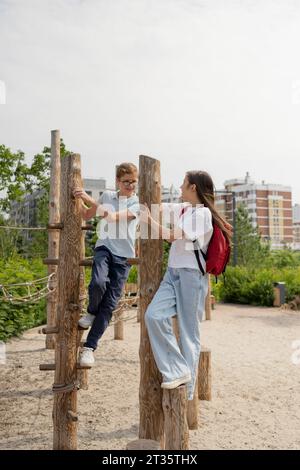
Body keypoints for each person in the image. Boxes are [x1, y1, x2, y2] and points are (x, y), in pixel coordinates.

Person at [140, 171, 231, 400]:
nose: (180, 187)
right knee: (153, 316)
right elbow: (158, 206)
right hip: (173, 274)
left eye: (183, 183)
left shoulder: (202, 215)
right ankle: (178, 370)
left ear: (193, 188)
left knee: (189, 333)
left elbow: (173, 236)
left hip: (191, 276)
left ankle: (187, 392)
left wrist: (148, 221)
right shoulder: (184, 209)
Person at [73, 162, 139, 366]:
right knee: (98, 283)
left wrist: (86, 196)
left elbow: (111, 218)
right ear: (117, 181)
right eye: (126, 181)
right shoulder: (107, 197)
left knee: (109, 304)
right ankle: (92, 311)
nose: (130, 185)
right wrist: (76, 197)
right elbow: (86, 214)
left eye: (133, 182)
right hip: (105, 249)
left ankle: (89, 348)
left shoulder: (137, 204)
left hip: (124, 258)